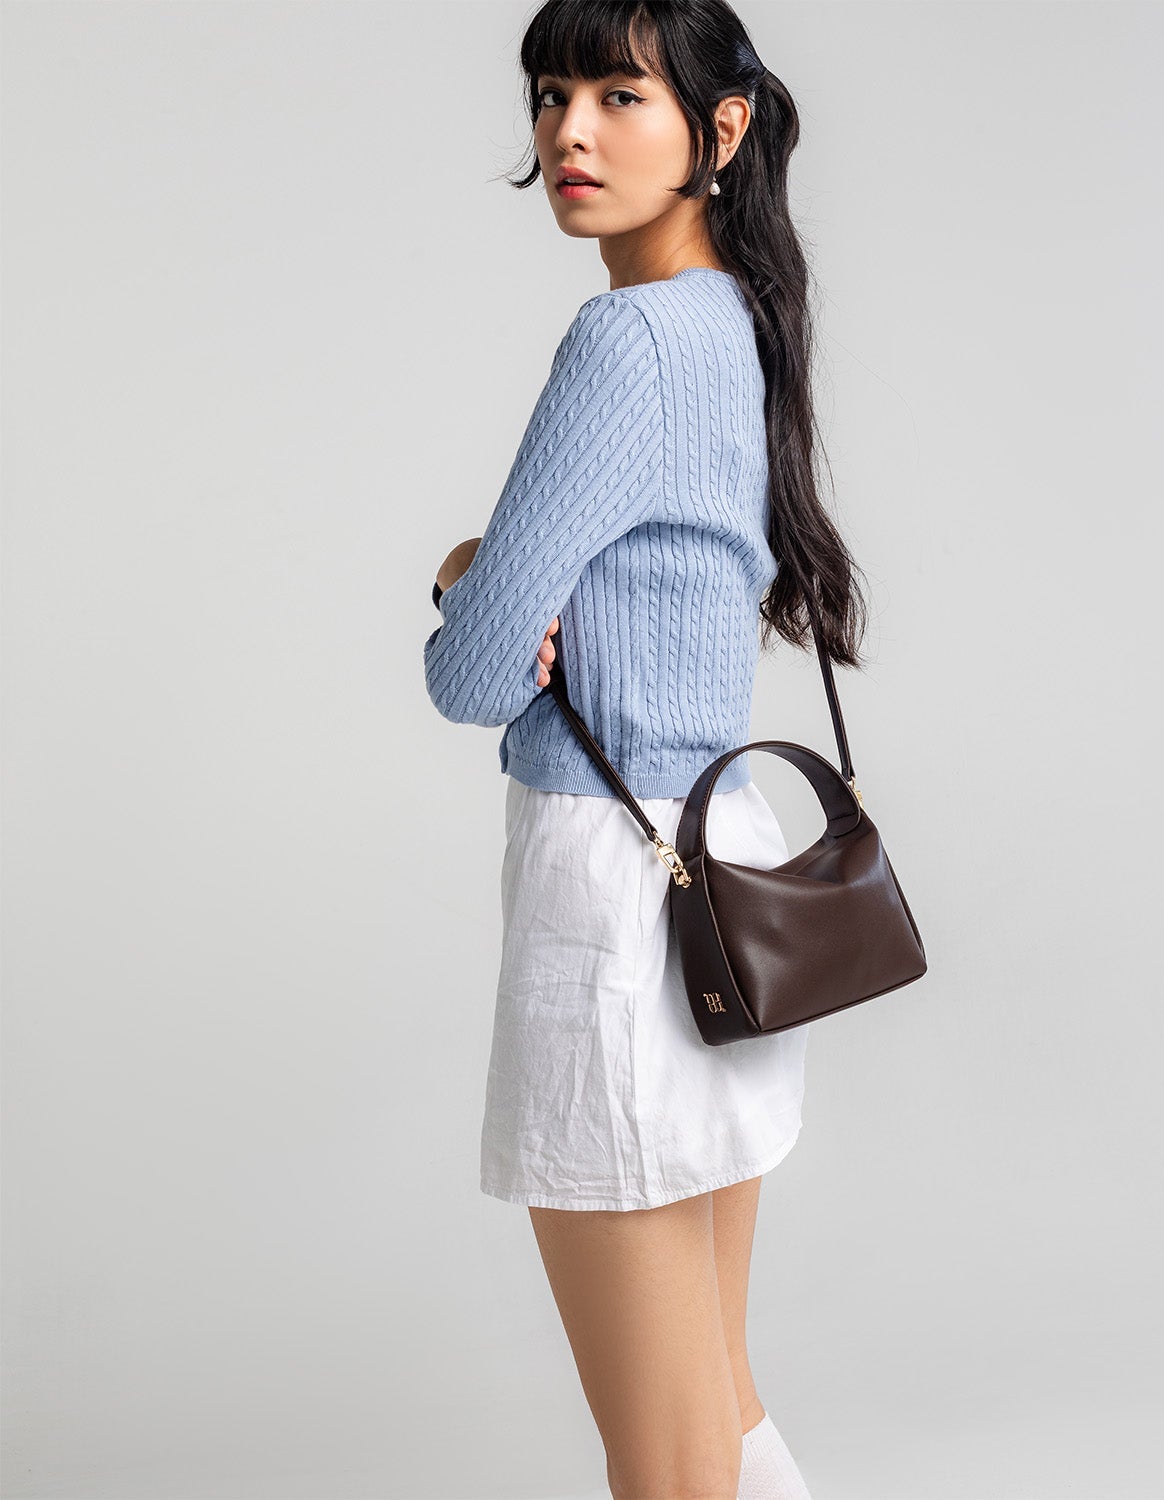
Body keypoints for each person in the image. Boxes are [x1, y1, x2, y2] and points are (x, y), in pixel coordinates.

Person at [422, 3, 869, 1495]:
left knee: (669, 1467)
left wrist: (466, 581)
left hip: (621, 905)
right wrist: (508, 584)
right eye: (552, 93)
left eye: (621, 94)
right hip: (721, 884)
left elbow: (473, 675)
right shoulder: (734, 317)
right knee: (717, 1418)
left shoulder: (626, 337)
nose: (570, 131)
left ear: (719, 128)